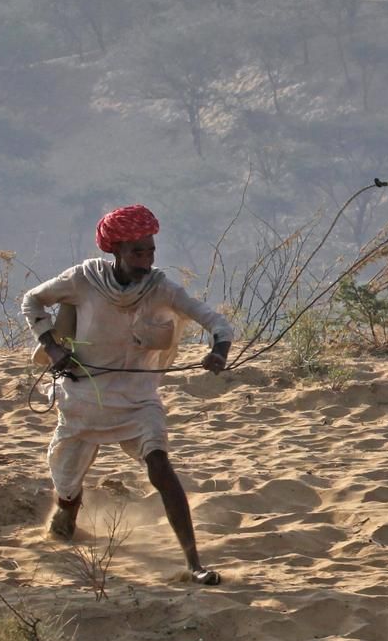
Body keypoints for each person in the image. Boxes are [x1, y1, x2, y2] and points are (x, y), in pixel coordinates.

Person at [21, 204, 233, 585]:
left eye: (150, 250)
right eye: (138, 251)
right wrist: (53, 348)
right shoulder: (83, 279)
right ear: (116, 251)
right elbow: (31, 301)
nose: (147, 259)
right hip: (83, 398)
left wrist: (219, 350)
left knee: (161, 469)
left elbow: (215, 321)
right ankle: (68, 511)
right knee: (67, 486)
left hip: (138, 400)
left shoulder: (161, 288)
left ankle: (193, 563)